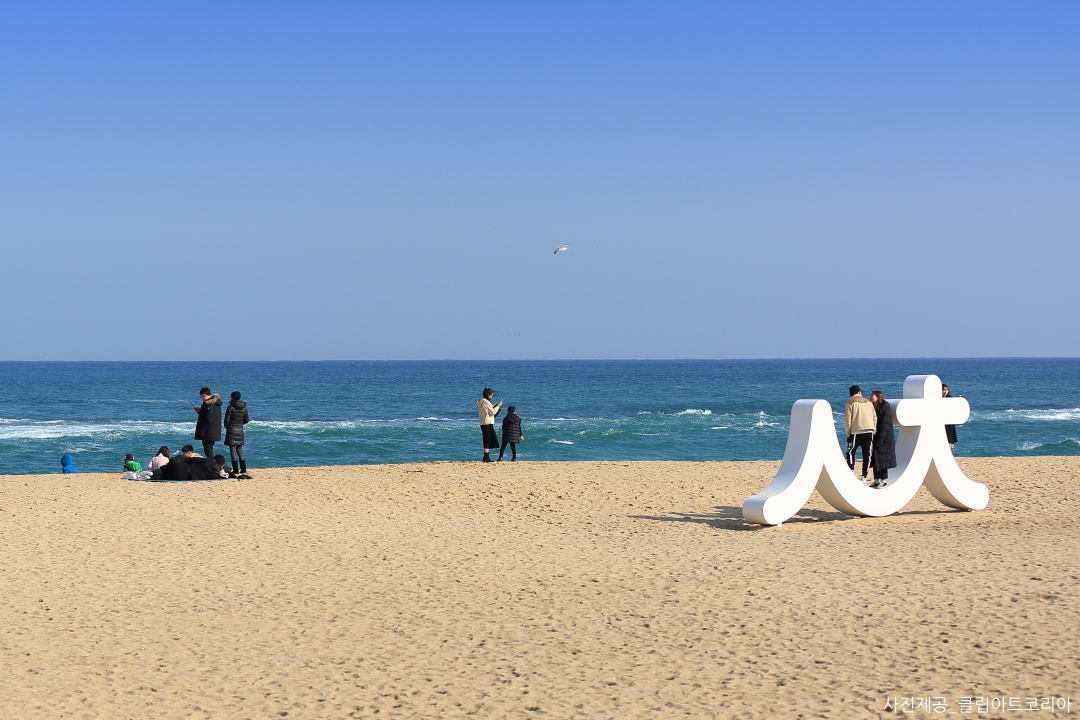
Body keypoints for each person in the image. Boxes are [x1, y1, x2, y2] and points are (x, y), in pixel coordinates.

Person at [844, 384, 876, 482]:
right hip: (869, 430)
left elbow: (848, 420)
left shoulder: (850, 402)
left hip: (856, 430)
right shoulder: (868, 402)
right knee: (867, 454)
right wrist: (874, 429)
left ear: (850, 394)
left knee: (850, 452)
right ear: (859, 392)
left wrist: (848, 432)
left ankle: (851, 471)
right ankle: (864, 477)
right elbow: (874, 417)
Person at [869, 390, 897, 489]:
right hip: (875, 436)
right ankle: (876, 480)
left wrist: (880, 440)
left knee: (883, 460)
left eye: (873, 395)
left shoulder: (885, 407)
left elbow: (885, 425)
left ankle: (884, 481)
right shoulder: (872, 407)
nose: (871, 397)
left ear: (878, 397)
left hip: (884, 439)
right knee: (875, 459)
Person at [223, 391, 251, 479]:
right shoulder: (244, 407)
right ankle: (243, 469)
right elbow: (246, 420)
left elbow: (226, 420)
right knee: (239, 449)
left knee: (232, 450)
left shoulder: (230, 407)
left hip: (231, 429)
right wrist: (240, 424)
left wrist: (228, 427)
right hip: (240, 429)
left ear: (232, 397)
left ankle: (235, 470)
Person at [194, 387, 223, 459]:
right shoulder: (215, 403)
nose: (201, 398)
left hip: (208, 432)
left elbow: (209, 418)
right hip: (214, 430)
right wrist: (201, 411)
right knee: (209, 449)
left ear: (204, 395)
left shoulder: (208, 404)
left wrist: (201, 414)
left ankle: (211, 464)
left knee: (208, 450)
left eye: (201, 396)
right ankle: (211, 463)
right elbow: (210, 415)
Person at [477, 387, 502, 462]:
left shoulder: (482, 401)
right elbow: (492, 412)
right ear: (488, 394)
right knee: (487, 439)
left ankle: (486, 456)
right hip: (487, 422)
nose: (492, 397)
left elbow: (487, 410)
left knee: (486, 439)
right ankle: (486, 457)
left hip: (483, 422)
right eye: (491, 395)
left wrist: (493, 406)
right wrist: (498, 406)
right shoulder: (486, 402)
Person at [942, 383, 958, 449]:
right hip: (941, 422)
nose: (945, 391)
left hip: (949, 423)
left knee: (949, 440)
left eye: (946, 390)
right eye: (943, 390)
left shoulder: (950, 399)